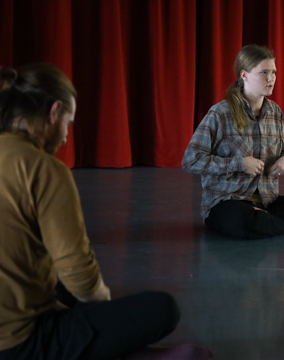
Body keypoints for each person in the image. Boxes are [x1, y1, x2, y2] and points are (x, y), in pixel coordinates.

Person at [0, 64, 194, 360]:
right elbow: (79, 275)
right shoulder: (42, 168)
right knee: (162, 309)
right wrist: (101, 307)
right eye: (68, 122)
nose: (65, 137)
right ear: (54, 112)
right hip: (20, 343)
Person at [183, 45, 284, 239]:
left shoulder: (274, 111)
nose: (271, 79)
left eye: (273, 72)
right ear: (244, 75)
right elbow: (191, 160)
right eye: (264, 73)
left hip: (268, 202)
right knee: (242, 221)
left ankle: (268, 221)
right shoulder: (220, 113)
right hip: (227, 202)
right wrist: (240, 164)